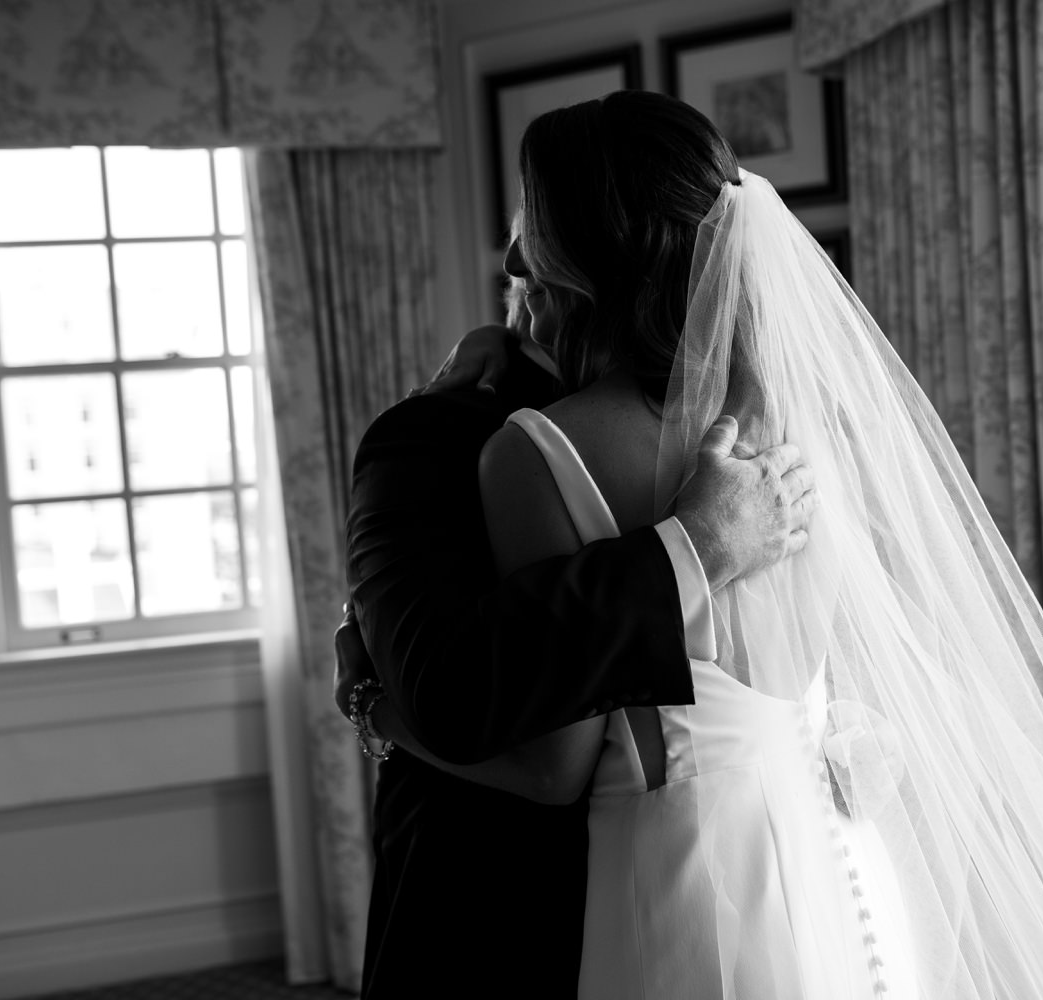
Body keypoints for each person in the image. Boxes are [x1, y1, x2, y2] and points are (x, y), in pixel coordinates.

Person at [469, 90, 1043, 998]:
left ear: (569, 249)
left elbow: (550, 770)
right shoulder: (809, 413)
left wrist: (382, 697)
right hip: (844, 860)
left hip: (687, 891)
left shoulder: (535, 455)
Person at [337, 267, 817, 994]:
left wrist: (366, 703)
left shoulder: (453, 439)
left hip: (516, 901)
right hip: (794, 858)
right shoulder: (776, 418)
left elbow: (523, 751)